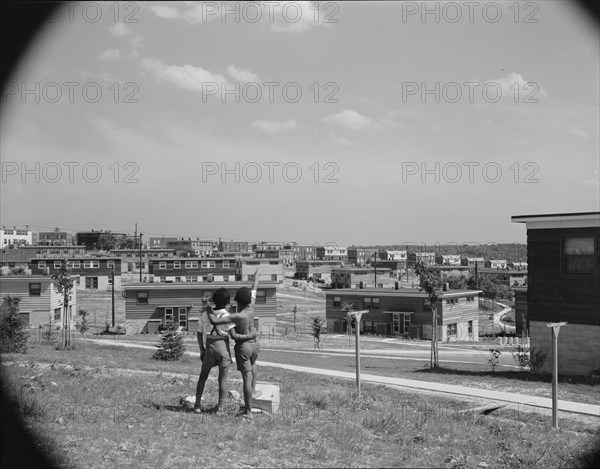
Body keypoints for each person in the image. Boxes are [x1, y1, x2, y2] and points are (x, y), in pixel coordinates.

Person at [207, 267, 261, 418]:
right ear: (249, 299)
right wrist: (256, 275)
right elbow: (255, 286)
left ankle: (248, 411)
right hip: (255, 344)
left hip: (243, 347)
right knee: (254, 365)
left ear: (237, 301)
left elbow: (214, 321)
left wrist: (208, 307)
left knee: (246, 377)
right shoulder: (252, 306)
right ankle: (254, 393)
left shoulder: (236, 316)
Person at [194, 288, 256, 414]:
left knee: (203, 376)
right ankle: (220, 408)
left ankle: (197, 405)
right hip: (223, 347)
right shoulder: (228, 316)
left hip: (209, 346)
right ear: (228, 302)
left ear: (214, 300)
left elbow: (199, 333)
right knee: (222, 379)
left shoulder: (206, 314)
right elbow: (233, 333)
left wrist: (202, 349)